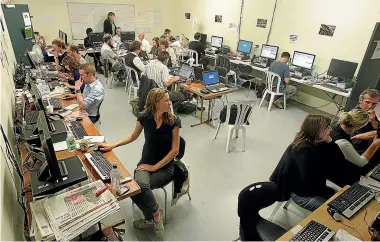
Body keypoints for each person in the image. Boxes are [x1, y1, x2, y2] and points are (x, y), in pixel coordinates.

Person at [97, 88, 182, 239]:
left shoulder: (174, 121)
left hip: (165, 166)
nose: (170, 103)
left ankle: (151, 218)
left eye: (169, 99)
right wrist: (112, 145)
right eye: (166, 100)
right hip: (145, 163)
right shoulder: (144, 117)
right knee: (134, 188)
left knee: (139, 188)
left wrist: (155, 167)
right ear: (156, 103)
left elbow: (175, 150)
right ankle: (155, 215)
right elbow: (132, 136)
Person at [270, 114, 336, 211]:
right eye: (327, 128)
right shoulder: (303, 150)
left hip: (309, 187)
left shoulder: (316, 142)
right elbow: (310, 180)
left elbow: (333, 160)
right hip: (299, 193)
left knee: (338, 197)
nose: (330, 130)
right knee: (333, 210)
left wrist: (330, 143)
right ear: (316, 131)